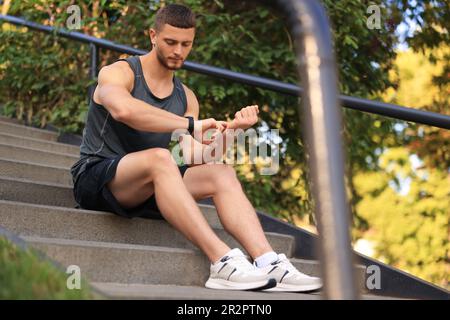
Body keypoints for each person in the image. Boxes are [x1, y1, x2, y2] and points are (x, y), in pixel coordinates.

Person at [70, 3, 322, 292]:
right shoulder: (120, 73)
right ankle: (221, 262)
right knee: (161, 158)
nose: (178, 50)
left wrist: (234, 131)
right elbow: (124, 110)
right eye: (170, 42)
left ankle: (269, 263)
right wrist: (189, 125)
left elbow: (196, 155)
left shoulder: (185, 97)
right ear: (153, 36)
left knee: (220, 173)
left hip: (148, 188)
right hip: (97, 178)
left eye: (186, 44)